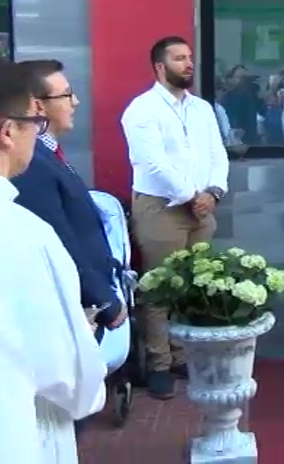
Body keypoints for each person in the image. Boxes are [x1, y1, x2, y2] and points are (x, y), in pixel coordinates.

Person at [0, 54, 107, 463]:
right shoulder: (19, 234)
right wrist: (77, 330)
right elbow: (74, 380)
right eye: (35, 122)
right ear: (7, 131)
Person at [121, 36, 230, 399]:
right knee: (159, 288)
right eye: (179, 59)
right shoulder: (142, 109)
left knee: (192, 285)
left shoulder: (201, 108)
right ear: (159, 67)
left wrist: (213, 193)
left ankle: (183, 355)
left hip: (201, 208)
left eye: (189, 58)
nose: (188, 64)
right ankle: (158, 364)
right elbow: (152, 162)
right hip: (161, 208)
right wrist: (190, 195)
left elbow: (218, 153)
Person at [11, 60, 128, 339]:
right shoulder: (33, 163)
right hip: (74, 309)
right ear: (38, 106)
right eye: (66, 94)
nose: (75, 102)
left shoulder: (50, 155)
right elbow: (59, 240)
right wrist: (103, 298)